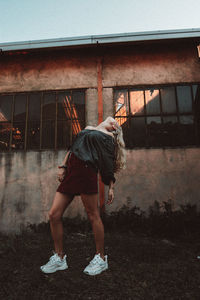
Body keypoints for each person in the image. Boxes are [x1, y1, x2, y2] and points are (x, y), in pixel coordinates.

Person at [40, 116, 126, 276]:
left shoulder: (106, 137)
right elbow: (72, 148)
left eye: (114, 121)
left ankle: (101, 259)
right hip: (72, 172)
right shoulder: (88, 128)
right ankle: (59, 258)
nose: (111, 118)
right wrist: (63, 166)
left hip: (87, 171)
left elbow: (108, 163)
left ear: (114, 128)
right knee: (54, 214)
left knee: (93, 215)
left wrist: (111, 187)